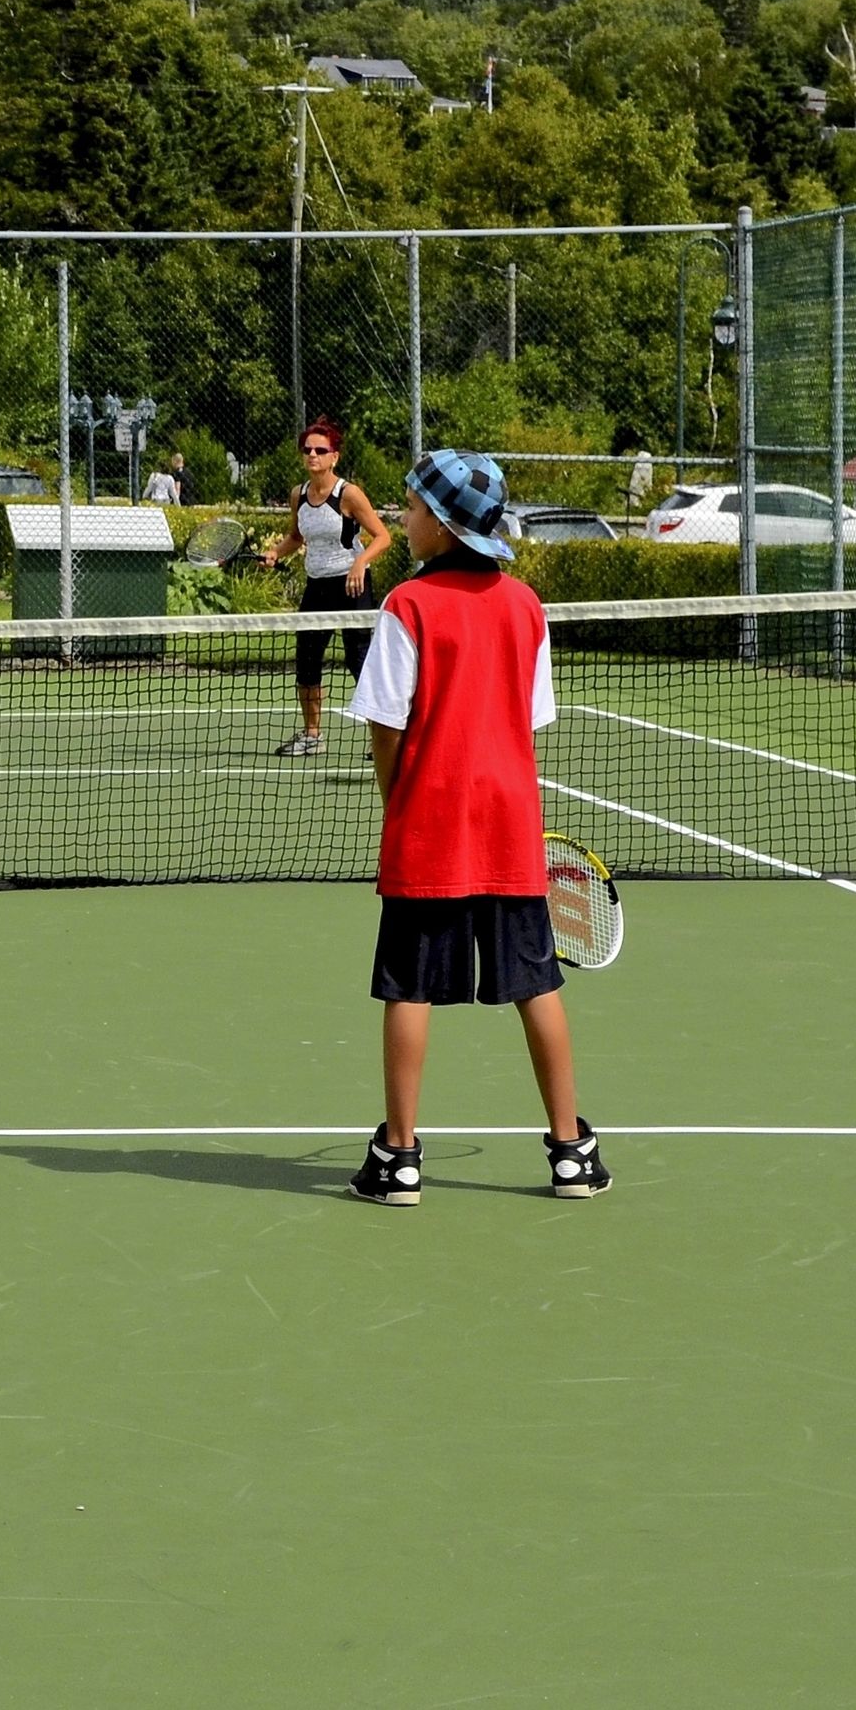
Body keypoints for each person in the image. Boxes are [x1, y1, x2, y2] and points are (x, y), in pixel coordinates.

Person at [343, 447, 604, 1206]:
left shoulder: (408, 608)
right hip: (510, 828)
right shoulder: (526, 605)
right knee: (538, 983)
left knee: (408, 989)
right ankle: (572, 1154)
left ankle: (397, 1159)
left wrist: (402, 802)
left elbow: (386, 725)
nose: (402, 518)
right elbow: (532, 721)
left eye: (414, 508)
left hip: (431, 828)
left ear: (448, 525)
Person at [263, 417, 387, 757]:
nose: (312, 455)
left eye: (320, 450)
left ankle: (384, 739)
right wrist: (277, 552)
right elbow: (296, 537)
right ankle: (313, 735)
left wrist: (360, 563)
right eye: (307, 450)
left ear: (334, 456)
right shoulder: (298, 495)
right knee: (307, 658)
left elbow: (383, 537)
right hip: (316, 587)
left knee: (360, 660)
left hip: (352, 586)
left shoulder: (348, 494)